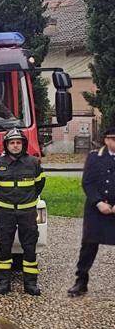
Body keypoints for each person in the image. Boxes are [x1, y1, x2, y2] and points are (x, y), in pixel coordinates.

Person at [0, 129, 45, 296]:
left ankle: (30, 284)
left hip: (27, 212)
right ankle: (4, 283)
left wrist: (28, 201)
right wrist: (5, 201)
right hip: (6, 212)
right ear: (6, 145)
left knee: (29, 247)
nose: (15, 145)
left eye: (18, 142)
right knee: (4, 247)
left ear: (23, 144)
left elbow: (40, 184)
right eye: (12, 142)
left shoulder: (34, 163)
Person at [69, 126, 115, 297]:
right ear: (106, 140)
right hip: (96, 209)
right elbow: (87, 182)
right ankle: (81, 281)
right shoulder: (95, 157)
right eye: (113, 139)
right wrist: (98, 202)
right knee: (89, 245)